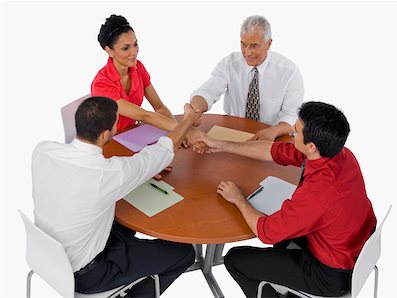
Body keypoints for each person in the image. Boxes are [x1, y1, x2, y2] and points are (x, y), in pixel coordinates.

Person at [195, 101, 377, 297]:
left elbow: (267, 232)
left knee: (235, 259)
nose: (292, 133)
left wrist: (239, 199)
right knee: (283, 235)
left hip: (329, 275)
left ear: (311, 146)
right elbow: (274, 151)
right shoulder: (341, 155)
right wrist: (219, 144)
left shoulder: (319, 194)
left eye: (296, 132)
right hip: (350, 247)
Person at [32, 96, 200, 297]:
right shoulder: (107, 174)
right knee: (185, 254)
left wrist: (140, 173)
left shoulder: (42, 150)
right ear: (106, 134)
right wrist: (188, 119)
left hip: (48, 257)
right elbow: (161, 150)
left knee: (123, 219)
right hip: (87, 274)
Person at [190, 15, 304, 141]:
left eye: (254, 46)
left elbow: (292, 114)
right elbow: (208, 91)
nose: (247, 53)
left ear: (269, 43)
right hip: (234, 131)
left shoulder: (289, 72)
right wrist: (196, 108)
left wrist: (273, 131)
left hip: (273, 135)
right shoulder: (230, 63)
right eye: (243, 44)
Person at [92, 14, 202, 145]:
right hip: (108, 143)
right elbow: (144, 115)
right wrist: (184, 130)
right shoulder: (101, 84)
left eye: (135, 44)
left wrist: (179, 134)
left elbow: (159, 107)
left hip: (132, 135)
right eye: (126, 48)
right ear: (109, 51)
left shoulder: (138, 67)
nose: (134, 52)